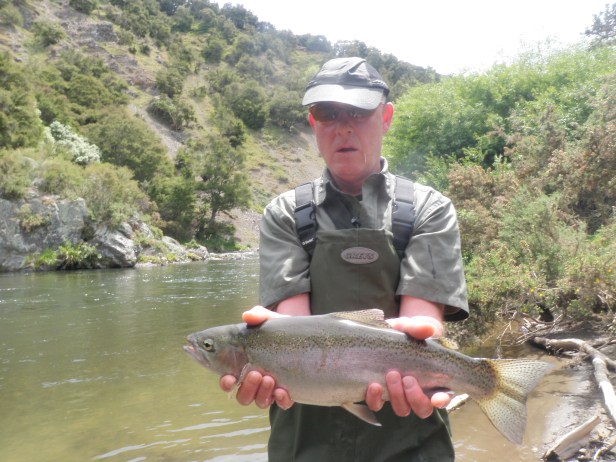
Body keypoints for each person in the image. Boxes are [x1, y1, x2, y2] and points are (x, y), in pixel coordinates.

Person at [219, 57, 469, 461]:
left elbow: (423, 318)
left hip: (412, 439)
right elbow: (294, 331)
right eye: (328, 113)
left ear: (385, 117)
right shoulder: (284, 214)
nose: (343, 126)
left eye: (358, 111)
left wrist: (426, 334)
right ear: (313, 123)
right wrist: (270, 358)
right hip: (305, 441)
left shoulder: (429, 209)